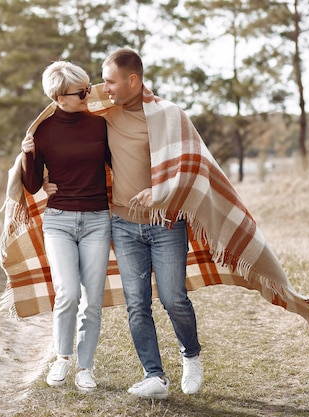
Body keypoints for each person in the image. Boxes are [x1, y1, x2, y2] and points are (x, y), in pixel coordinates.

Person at [98, 48, 203, 399]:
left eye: (111, 80)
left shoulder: (169, 115)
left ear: (133, 80)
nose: (105, 87)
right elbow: (63, 106)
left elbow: (192, 167)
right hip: (124, 225)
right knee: (137, 304)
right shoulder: (106, 113)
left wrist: (161, 191)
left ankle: (191, 355)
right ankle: (154, 376)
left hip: (166, 223)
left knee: (174, 298)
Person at [20, 61, 111, 393]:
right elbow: (31, 185)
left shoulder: (100, 126)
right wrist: (29, 156)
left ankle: (86, 367)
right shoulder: (41, 132)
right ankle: (62, 357)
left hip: (98, 220)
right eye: (81, 91)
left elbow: (120, 164)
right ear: (59, 97)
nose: (89, 94)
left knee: (93, 300)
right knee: (68, 293)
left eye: (88, 87)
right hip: (58, 222)